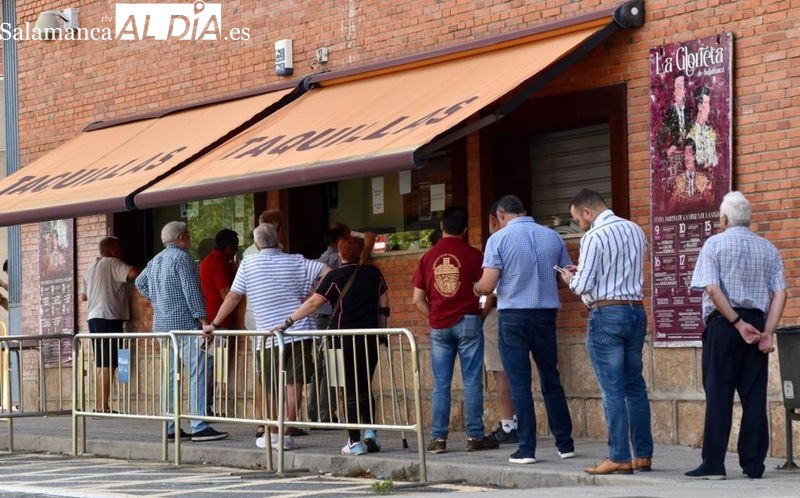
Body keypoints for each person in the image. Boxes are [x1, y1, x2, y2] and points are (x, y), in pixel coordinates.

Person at [685, 191, 786, 480]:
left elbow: (712, 290)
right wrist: (768, 332)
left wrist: (736, 322)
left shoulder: (714, 244)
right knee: (754, 396)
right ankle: (754, 464)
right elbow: (781, 292)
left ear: (724, 218)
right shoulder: (769, 249)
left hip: (725, 325)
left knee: (719, 394)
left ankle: (714, 464)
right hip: (757, 324)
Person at [205, 222, 329, 450]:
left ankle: (272, 433)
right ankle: (286, 433)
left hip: (270, 334)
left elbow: (232, 297)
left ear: (256, 243)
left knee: (272, 385)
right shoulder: (297, 261)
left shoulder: (249, 264)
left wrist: (214, 323)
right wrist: (313, 295)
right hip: (301, 330)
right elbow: (328, 273)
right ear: (278, 239)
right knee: (295, 384)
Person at [473, 195, 575, 465]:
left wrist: (477, 288)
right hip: (545, 315)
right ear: (525, 211)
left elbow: (488, 283)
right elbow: (568, 275)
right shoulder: (552, 237)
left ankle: (527, 449)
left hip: (513, 316)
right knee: (551, 379)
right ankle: (565, 444)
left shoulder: (498, 239)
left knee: (520, 384)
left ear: (502, 215)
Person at [558, 189, 653, 475]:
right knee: (635, 386)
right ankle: (643, 455)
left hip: (607, 314)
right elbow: (624, 267)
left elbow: (583, 285)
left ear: (587, 212)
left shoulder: (593, 236)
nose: (579, 225)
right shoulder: (635, 229)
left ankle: (619, 456)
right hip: (636, 310)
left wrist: (569, 278)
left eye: (578, 219)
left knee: (612, 389)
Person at [275, 235, 389, 455]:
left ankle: (354, 441)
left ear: (340, 254)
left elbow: (314, 303)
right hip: (370, 336)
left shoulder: (335, 277)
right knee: (365, 385)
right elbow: (384, 303)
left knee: (349, 388)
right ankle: (371, 432)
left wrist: (288, 321)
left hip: (343, 338)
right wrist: (383, 331)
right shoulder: (374, 273)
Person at [412, 207, 498, 454]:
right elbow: (489, 291)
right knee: (472, 381)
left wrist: (435, 316)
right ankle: (474, 436)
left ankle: (438, 439)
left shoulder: (428, 257)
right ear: (464, 230)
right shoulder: (474, 255)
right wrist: (480, 313)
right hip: (469, 320)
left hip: (439, 325)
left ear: (441, 226)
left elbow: (417, 299)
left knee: (441, 384)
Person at [135, 221, 228, 442]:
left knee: (169, 377)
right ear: (180, 238)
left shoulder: (155, 260)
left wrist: (158, 301)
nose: (190, 238)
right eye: (188, 234)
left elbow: (140, 282)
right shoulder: (183, 258)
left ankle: (170, 425)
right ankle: (198, 424)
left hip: (162, 327)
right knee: (198, 372)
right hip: (185, 326)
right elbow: (192, 291)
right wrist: (204, 321)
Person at [80, 237, 139, 413]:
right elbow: (133, 274)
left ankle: (99, 405)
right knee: (109, 363)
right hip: (109, 318)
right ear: (112, 248)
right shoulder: (113, 263)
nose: (122, 250)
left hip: (93, 318)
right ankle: (103, 407)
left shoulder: (91, 267)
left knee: (101, 363)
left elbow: (83, 296)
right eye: (119, 246)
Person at [482, 202, 517, 445]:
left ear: (497, 218)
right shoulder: (545, 236)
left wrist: (480, 308)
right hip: (536, 313)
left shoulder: (497, 241)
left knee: (501, 372)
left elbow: (489, 287)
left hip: (502, 313)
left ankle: (508, 424)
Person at [307, 225, 348, 425]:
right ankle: (326, 414)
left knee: (320, 367)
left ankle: (314, 412)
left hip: (319, 318)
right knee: (331, 364)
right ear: (338, 241)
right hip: (330, 317)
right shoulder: (335, 260)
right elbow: (351, 267)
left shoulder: (319, 260)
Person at [199, 228, 240, 415]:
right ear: (229, 246)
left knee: (210, 364)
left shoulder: (208, 261)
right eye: (235, 246)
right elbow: (226, 293)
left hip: (211, 318)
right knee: (213, 365)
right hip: (218, 321)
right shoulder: (219, 263)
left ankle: (205, 406)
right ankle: (206, 407)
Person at [669, 138, 714, 212]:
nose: (687, 157)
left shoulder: (703, 178)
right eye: (685, 153)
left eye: (690, 152)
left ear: (694, 156)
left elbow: (711, 205)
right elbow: (671, 207)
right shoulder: (679, 179)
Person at [687, 85, 718, 170]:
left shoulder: (710, 131)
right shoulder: (690, 135)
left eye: (709, 103)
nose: (709, 109)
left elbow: (714, 161)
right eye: (706, 103)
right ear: (699, 106)